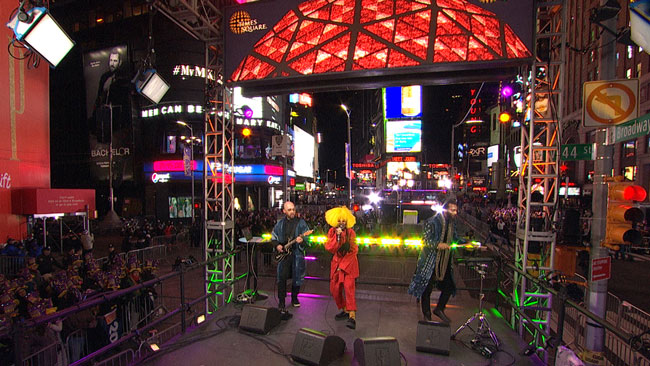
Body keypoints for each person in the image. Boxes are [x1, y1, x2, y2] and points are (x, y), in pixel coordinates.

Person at [408, 199, 466, 323]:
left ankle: (439, 309)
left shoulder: (451, 225)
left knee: (449, 286)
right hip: (430, 261)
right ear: (445, 210)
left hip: (444, 262)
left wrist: (468, 244)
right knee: (426, 289)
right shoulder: (432, 222)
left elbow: (455, 238)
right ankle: (427, 314)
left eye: (456, 210)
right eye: (452, 210)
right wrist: (438, 245)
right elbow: (425, 240)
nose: (455, 213)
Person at [271, 201, 310, 311]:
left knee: (297, 277)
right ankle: (282, 301)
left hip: (296, 255)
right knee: (281, 278)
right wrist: (277, 245)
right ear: (284, 211)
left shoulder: (301, 223)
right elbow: (273, 237)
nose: (292, 211)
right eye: (289, 210)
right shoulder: (280, 223)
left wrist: (302, 240)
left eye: (293, 209)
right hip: (284, 255)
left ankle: (294, 298)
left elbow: (308, 239)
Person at [324, 206, 359, 330]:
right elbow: (330, 248)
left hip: (349, 266)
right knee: (334, 289)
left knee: (349, 290)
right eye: (339, 220)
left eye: (343, 220)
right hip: (336, 264)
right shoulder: (332, 232)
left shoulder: (351, 233)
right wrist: (337, 239)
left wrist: (342, 266)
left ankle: (352, 316)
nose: (341, 223)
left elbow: (354, 250)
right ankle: (345, 309)